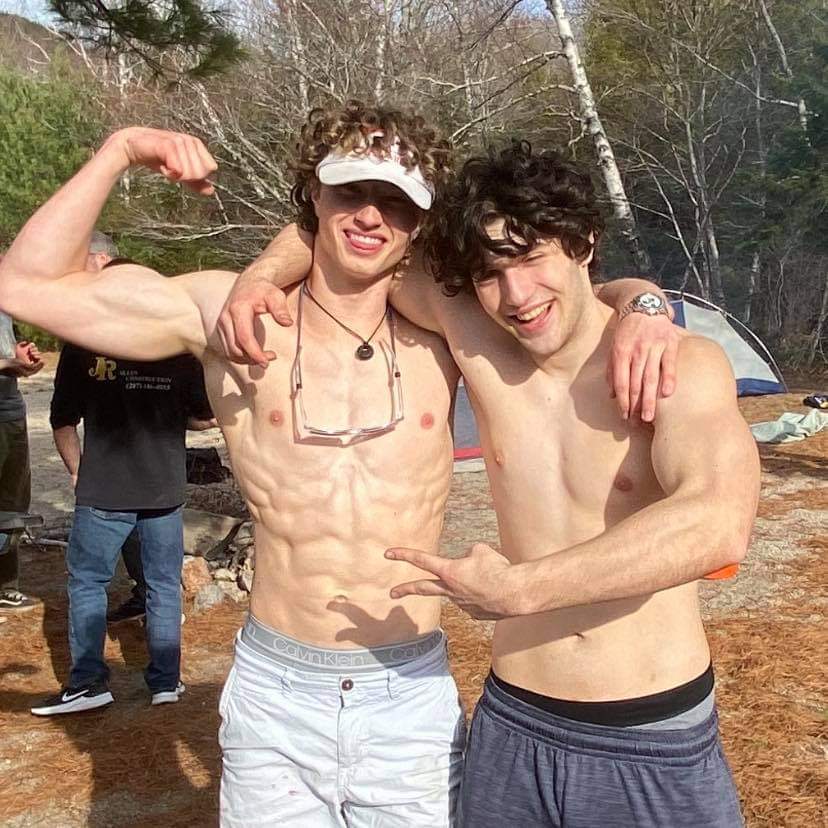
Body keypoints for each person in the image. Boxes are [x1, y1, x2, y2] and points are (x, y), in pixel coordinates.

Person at [0, 105, 675, 825]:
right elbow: (24, 285)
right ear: (313, 196)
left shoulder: (446, 320)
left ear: (420, 219)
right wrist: (121, 149)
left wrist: (645, 303)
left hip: (407, 693)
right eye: (351, 191)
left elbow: (560, 289)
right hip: (277, 689)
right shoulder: (228, 315)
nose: (371, 216)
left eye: (395, 202)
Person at [222, 144, 759, 827]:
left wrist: (521, 590)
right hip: (512, 727)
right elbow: (348, 241)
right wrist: (259, 276)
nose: (517, 296)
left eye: (531, 258)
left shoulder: (672, 365)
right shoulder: (477, 339)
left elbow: (717, 523)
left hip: (649, 733)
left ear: (584, 243)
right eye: (490, 274)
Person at [31, 254, 215, 716]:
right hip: (163, 489)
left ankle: (88, 683)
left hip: (105, 489)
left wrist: (77, 471)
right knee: (163, 585)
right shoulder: (176, 347)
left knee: (88, 583)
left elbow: (62, 420)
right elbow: (201, 417)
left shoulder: (84, 344)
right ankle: (166, 682)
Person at [0, 296, 44, 613]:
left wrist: (19, 356)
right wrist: (6, 364)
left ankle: (6, 587)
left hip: (9, 409)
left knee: (11, 502)